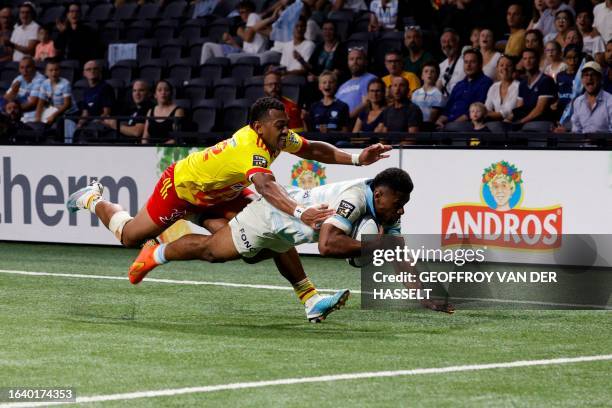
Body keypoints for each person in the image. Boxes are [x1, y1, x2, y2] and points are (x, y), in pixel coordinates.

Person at [66, 97, 392, 322]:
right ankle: (93, 198)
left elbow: (312, 148)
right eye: (279, 125)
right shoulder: (250, 147)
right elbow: (265, 186)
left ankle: (310, 299)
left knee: (269, 226)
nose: (285, 130)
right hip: (180, 189)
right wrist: (300, 212)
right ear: (258, 126)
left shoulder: (276, 136)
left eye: (285, 125)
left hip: (221, 193)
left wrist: (355, 158)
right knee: (128, 236)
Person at [128, 167, 455, 314]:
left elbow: (398, 253)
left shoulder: (388, 210)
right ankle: (156, 252)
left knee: (263, 251)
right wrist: (373, 246)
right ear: (379, 194)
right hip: (267, 219)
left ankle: (311, 302)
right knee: (214, 252)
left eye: (404, 205)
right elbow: (328, 244)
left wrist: (423, 294)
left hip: (284, 231)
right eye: (397, 202)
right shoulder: (355, 198)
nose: (400, 210)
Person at [436, 49, 493, 132]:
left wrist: (452, 124)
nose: (468, 65)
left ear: (480, 64)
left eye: (472, 62)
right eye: (466, 62)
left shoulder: (486, 83)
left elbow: (477, 109)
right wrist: (439, 121)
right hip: (450, 124)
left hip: (469, 124)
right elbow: (448, 109)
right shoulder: (459, 85)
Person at [200, 0, 267, 64]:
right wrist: (232, 42)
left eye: (244, 12)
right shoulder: (248, 26)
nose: (242, 15)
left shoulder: (253, 16)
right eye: (240, 13)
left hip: (255, 56)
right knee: (208, 46)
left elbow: (248, 38)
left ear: (250, 11)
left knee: (229, 56)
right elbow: (244, 50)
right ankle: (203, 70)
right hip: (246, 54)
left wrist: (240, 32)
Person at [513, 48, 558, 131]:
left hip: (541, 122)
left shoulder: (546, 80)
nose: (528, 61)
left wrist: (521, 122)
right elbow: (520, 108)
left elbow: (540, 109)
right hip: (526, 122)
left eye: (531, 58)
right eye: (525, 59)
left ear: (538, 60)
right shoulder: (522, 84)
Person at [335, 47, 377, 119]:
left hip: (355, 122)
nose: (355, 62)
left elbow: (367, 104)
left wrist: (346, 118)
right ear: (348, 63)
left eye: (359, 59)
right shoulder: (343, 85)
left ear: (366, 62)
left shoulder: (371, 79)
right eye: (351, 59)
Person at [571, 61, 612, 133]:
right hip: (583, 143)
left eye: (593, 75)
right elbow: (576, 130)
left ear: (600, 79)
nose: (589, 78)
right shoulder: (578, 102)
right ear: (582, 80)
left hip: (605, 144)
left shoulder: (610, 100)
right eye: (586, 75)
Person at [34, 59, 77, 127]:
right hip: (55, 110)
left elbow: (67, 104)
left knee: (55, 125)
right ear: (46, 72)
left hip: (69, 113)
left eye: (56, 70)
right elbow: (40, 103)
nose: (54, 73)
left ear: (60, 71)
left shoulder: (65, 83)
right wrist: (37, 118)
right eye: (51, 70)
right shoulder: (44, 83)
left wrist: (53, 116)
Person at [3, 56, 44, 123]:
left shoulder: (40, 80)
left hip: (30, 113)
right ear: (19, 69)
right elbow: (5, 98)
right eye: (22, 68)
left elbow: (32, 103)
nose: (25, 71)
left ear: (34, 68)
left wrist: (12, 110)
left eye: (28, 67)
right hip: (15, 111)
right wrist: (13, 91)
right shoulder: (18, 78)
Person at [142, 80, 184, 145]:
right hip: (150, 150)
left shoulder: (178, 111)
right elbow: (145, 137)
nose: (163, 92)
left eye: (166, 90)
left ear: (171, 93)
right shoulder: (150, 111)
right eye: (159, 90)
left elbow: (176, 138)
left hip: (168, 150)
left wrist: (159, 148)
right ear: (155, 95)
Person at [485, 55, 520, 132]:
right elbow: (487, 108)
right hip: (495, 125)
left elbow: (506, 112)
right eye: (501, 65)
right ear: (497, 68)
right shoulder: (494, 87)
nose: (504, 68)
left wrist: (485, 114)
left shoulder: (518, 86)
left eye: (508, 66)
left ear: (513, 69)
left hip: (512, 125)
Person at [77, 60, 114, 129]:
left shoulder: (106, 88)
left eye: (95, 69)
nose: (92, 71)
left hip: (101, 124)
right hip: (90, 124)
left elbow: (106, 113)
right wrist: (80, 123)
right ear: (84, 73)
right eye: (88, 69)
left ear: (99, 71)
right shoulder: (86, 91)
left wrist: (95, 121)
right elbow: (85, 113)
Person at [437, 28, 465, 97]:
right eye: (444, 42)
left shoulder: (465, 62)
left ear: (457, 43)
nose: (446, 44)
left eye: (450, 41)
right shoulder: (440, 66)